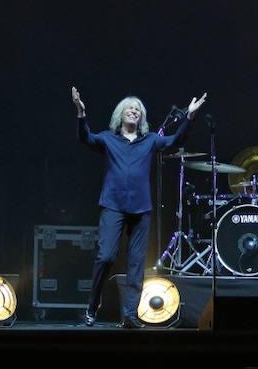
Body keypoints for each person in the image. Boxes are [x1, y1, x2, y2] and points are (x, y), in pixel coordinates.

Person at [74, 86, 204, 326]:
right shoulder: (108, 138)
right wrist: (81, 114)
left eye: (137, 110)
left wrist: (190, 117)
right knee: (105, 256)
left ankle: (131, 314)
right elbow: (86, 138)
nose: (133, 111)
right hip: (113, 205)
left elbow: (176, 140)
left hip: (140, 208)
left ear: (141, 118)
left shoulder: (151, 140)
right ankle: (92, 306)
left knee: (136, 263)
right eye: (129, 108)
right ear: (120, 115)